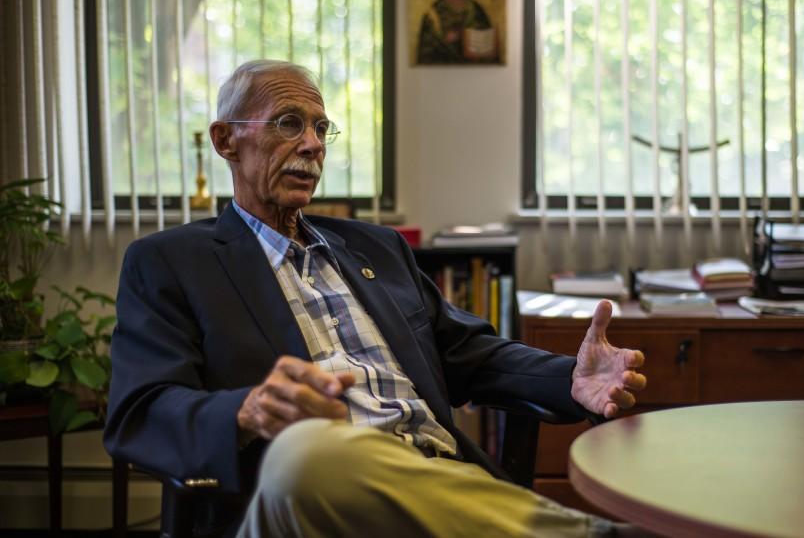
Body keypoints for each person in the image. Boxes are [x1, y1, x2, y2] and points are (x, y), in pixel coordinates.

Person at [104, 60, 648, 537]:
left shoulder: (376, 247)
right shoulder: (171, 262)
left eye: (321, 128)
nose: (314, 144)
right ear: (226, 141)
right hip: (303, 501)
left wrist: (567, 378)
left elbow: (469, 354)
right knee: (305, 451)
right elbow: (139, 413)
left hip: (436, 476)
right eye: (289, 123)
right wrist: (246, 411)